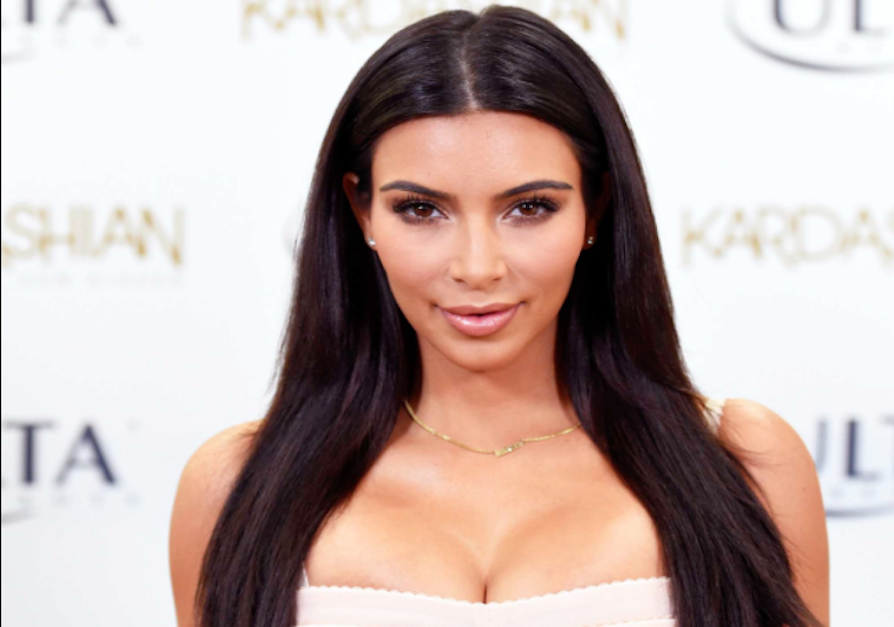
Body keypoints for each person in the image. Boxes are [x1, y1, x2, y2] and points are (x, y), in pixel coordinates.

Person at [169, 5, 828, 627]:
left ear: (595, 208)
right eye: (420, 210)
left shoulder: (745, 462)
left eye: (530, 207)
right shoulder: (235, 486)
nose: (477, 266)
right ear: (362, 210)